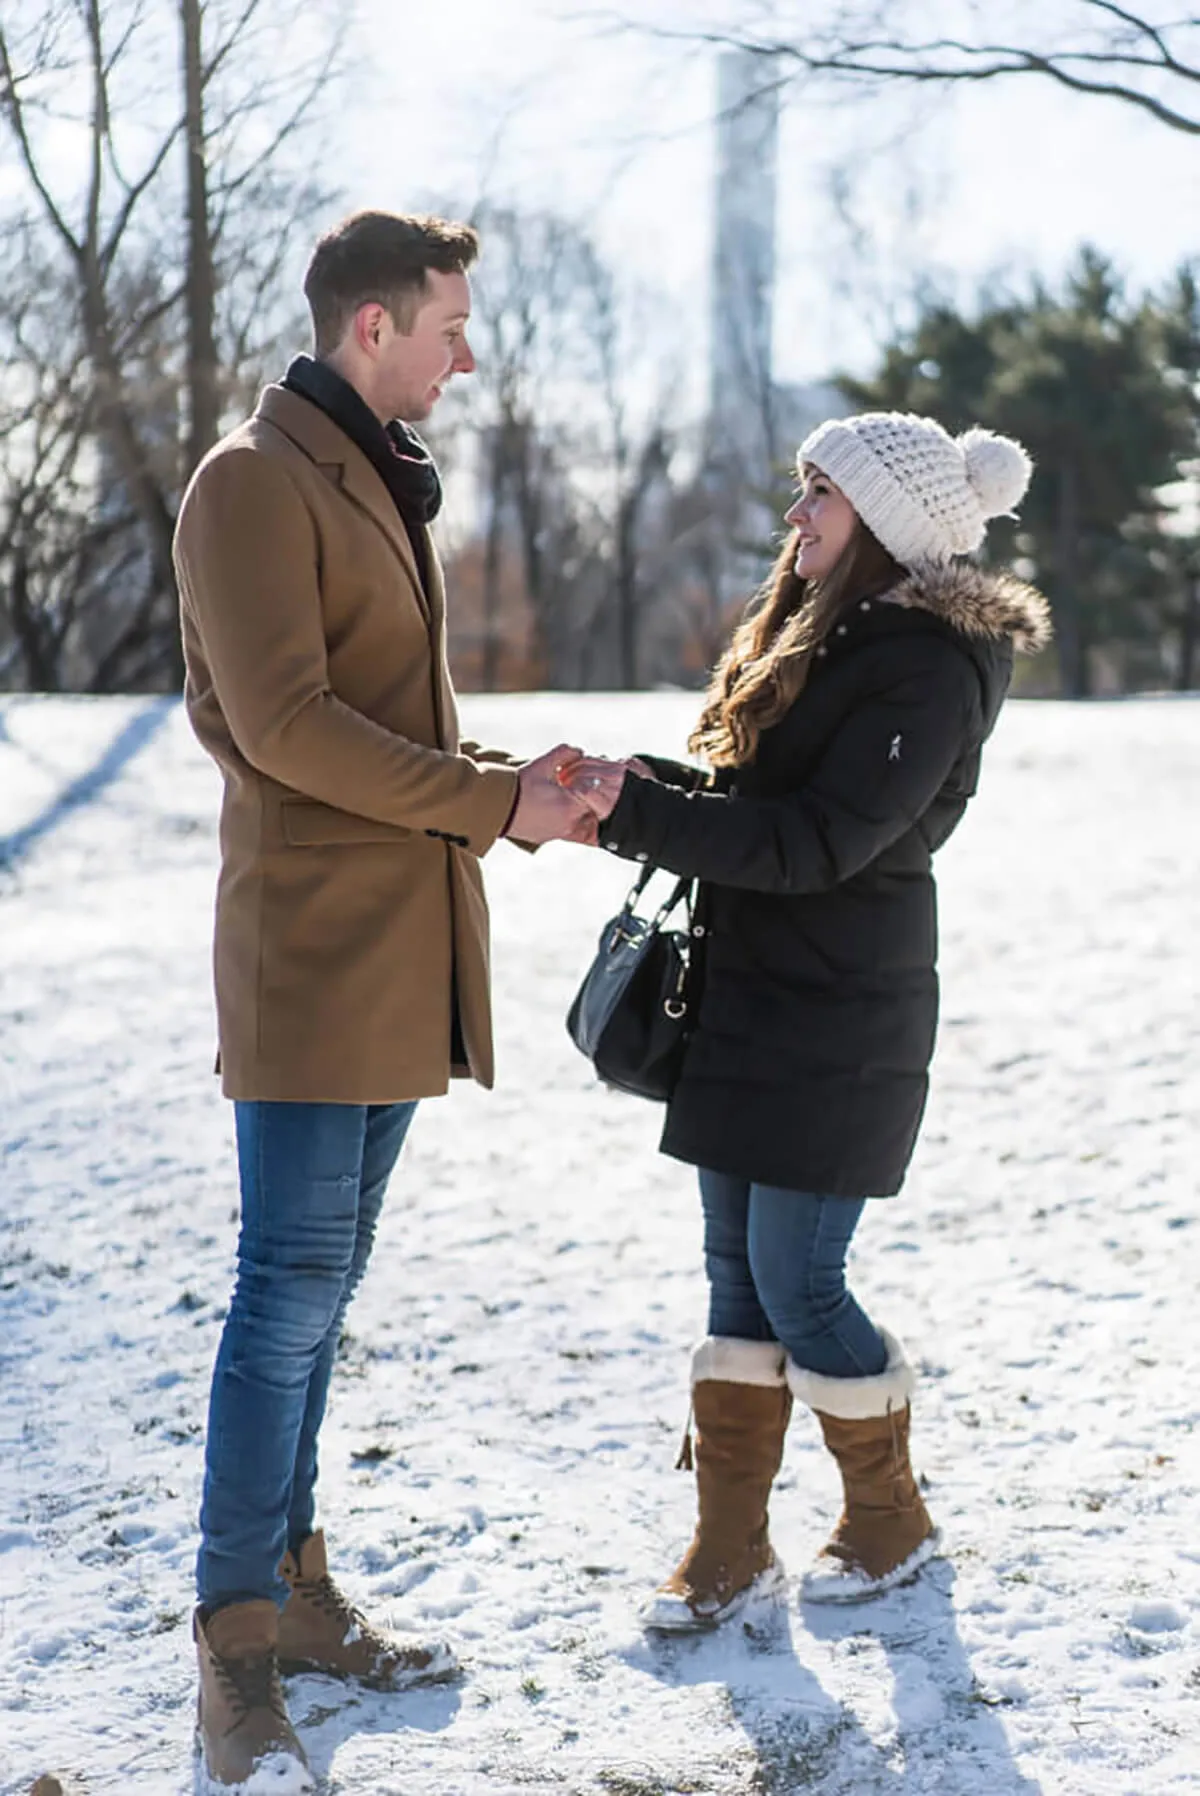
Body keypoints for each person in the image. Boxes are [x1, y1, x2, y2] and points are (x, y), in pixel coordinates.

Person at [172, 209, 590, 1785]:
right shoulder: (249, 483)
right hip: (309, 956)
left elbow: (380, 720)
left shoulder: (373, 478)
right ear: (372, 328)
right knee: (282, 1292)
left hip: (397, 951)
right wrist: (489, 806)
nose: (465, 352)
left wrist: (513, 783)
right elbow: (284, 724)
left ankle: (295, 1586)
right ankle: (232, 1645)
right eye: (449, 325)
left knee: (322, 1294)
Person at [565, 411, 1051, 1631]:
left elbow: (819, 842)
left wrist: (637, 817)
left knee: (799, 1275)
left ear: (883, 522)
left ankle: (890, 1519)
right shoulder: (826, 633)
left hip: (845, 1013)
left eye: (820, 493)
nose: (797, 517)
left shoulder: (928, 666)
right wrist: (624, 785)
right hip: (751, 999)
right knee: (737, 1280)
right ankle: (728, 1545)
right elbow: (750, 800)